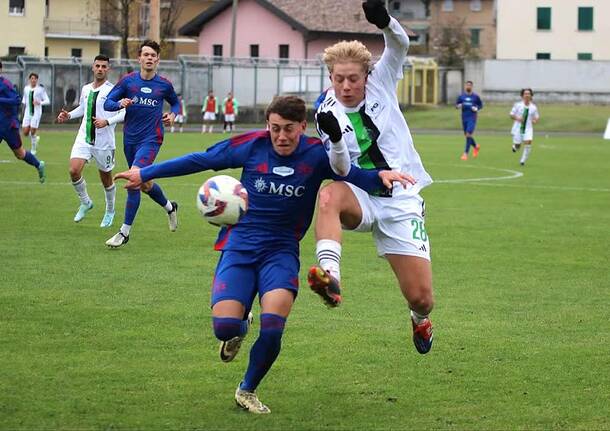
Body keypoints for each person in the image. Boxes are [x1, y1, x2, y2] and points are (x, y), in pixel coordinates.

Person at [114, 96, 412, 414]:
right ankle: (240, 325)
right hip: (240, 245)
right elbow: (202, 159)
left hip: (281, 251)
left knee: (273, 326)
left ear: (302, 126)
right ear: (266, 125)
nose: (281, 137)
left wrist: (379, 177)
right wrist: (146, 172)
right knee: (224, 327)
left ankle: (247, 389)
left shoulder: (316, 154)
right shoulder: (253, 145)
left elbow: (350, 173)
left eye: (288, 130)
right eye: (274, 129)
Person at [309, 0, 435, 355]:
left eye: (353, 78)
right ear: (330, 77)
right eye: (338, 79)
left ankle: (419, 319)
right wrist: (334, 139)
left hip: (402, 200)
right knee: (330, 196)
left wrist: (384, 21)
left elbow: (399, 45)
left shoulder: (382, 80)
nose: (346, 86)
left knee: (422, 297)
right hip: (361, 193)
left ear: (366, 75)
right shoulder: (326, 112)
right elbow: (340, 170)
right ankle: (330, 277)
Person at [103, 40, 181, 248]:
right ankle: (170, 207)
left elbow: (176, 102)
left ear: (157, 60)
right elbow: (107, 103)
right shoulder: (128, 82)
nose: (149, 58)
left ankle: (124, 232)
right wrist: (119, 103)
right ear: (139, 58)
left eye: (152, 55)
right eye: (145, 54)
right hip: (130, 140)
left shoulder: (164, 84)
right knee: (145, 183)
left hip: (151, 139)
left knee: (134, 180)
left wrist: (173, 115)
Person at [56, 54, 125, 227]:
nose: (100, 69)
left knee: (106, 178)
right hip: (84, 137)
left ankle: (110, 211)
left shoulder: (114, 90)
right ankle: (86, 202)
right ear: (93, 68)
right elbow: (83, 108)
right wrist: (69, 115)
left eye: (104, 66)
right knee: (73, 170)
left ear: (108, 69)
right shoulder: (86, 88)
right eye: (98, 66)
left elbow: (124, 112)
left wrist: (107, 121)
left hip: (104, 142)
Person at [0, 61, 46, 183]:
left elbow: (17, 99)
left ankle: (38, 164)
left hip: (8, 126)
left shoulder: (5, 84)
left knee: (20, 154)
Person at [21, 72, 50, 155]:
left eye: (35, 78)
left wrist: (39, 102)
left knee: (33, 130)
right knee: (25, 132)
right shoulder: (26, 88)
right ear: (29, 79)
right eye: (32, 78)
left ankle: (33, 149)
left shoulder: (40, 89)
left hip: (36, 113)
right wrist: (23, 108)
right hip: (27, 112)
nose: (33, 80)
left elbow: (47, 101)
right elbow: (24, 100)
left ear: (37, 80)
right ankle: (35, 138)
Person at [510, 88, 540, 166]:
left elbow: (536, 117)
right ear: (522, 95)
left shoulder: (533, 107)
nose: (527, 95)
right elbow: (511, 115)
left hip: (528, 128)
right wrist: (518, 118)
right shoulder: (518, 105)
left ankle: (522, 160)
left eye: (528, 93)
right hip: (518, 128)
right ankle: (515, 146)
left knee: (528, 143)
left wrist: (535, 121)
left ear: (531, 95)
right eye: (525, 94)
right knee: (518, 145)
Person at [456, 80, 483, 160]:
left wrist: (476, 108)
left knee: (468, 134)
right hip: (464, 117)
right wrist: (459, 106)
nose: (468, 87)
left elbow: (480, 105)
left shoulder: (475, 97)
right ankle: (475, 146)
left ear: (472, 87)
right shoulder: (461, 96)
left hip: (472, 118)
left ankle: (465, 154)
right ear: (465, 86)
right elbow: (457, 105)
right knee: (467, 135)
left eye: (470, 85)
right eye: (467, 85)